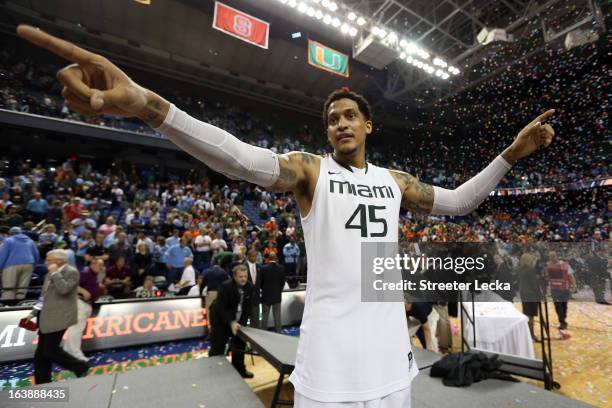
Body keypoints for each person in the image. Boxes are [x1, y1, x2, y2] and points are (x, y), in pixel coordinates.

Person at [18, 25, 556, 406]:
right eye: (332, 119)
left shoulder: (396, 183)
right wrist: (149, 107)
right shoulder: (311, 171)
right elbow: (238, 157)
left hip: (393, 368)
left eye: (350, 116)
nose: (340, 124)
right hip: (328, 369)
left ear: (370, 126)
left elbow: (460, 201)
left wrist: (510, 153)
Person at [24, 249, 89, 384]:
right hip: (45, 317)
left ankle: (80, 366)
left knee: (49, 350)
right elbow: (44, 296)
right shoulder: (49, 272)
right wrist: (33, 313)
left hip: (59, 318)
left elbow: (64, 289)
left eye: (49, 259)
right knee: (41, 354)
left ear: (60, 260)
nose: (46, 262)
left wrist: (55, 273)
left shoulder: (71, 272)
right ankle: (42, 383)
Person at [208, 264, 254, 378]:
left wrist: (242, 325)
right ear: (234, 277)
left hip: (238, 321)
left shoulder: (250, 287)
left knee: (239, 345)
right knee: (218, 346)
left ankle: (240, 371)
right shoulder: (225, 287)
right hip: (220, 320)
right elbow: (221, 309)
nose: (243, 279)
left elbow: (248, 308)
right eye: (240, 276)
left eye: (245, 276)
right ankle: (214, 371)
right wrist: (231, 322)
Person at [63, 258, 103, 361]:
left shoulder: (93, 275)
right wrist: (83, 291)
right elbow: (71, 285)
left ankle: (68, 351)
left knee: (77, 330)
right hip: (80, 303)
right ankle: (75, 353)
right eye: (99, 265)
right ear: (93, 264)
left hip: (86, 305)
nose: (101, 268)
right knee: (76, 329)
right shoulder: (86, 272)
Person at [0, 226, 39, 300]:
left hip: (11, 265)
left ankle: (8, 304)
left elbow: (3, 255)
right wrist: (33, 265)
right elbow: (36, 254)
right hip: (29, 264)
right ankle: (20, 302)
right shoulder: (30, 240)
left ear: (10, 233)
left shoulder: (9, 240)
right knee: (22, 287)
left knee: (9, 286)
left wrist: (0, 267)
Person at [546, 250, 576, 330]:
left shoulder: (564, 264)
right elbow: (546, 276)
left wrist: (574, 286)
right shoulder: (548, 265)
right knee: (558, 306)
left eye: (553, 255)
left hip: (564, 289)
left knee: (564, 306)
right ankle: (562, 322)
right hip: (554, 289)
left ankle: (563, 319)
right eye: (550, 256)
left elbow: (571, 276)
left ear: (556, 256)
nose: (552, 257)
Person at [518, 252, 542, 341]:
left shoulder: (520, 269)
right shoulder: (530, 270)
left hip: (523, 294)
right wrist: (539, 294)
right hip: (531, 295)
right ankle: (531, 335)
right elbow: (534, 284)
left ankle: (527, 334)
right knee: (531, 316)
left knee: (527, 314)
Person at [260, 253, 286, 332]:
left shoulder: (263, 268)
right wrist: (278, 290)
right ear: (276, 259)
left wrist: (264, 289)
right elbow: (283, 282)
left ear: (268, 259)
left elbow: (260, 282)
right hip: (277, 296)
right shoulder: (281, 268)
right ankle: (278, 333)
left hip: (266, 296)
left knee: (265, 316)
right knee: (277, 317)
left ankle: (263, 333)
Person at [246, 248, 262, 328]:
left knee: (256, 321)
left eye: (255, 256)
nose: (254, 258)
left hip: (256, 298)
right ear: (248, 256)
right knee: (243, 322)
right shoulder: (243, 266)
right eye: (252, 256)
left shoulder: (259, 267)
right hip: (245, 299)